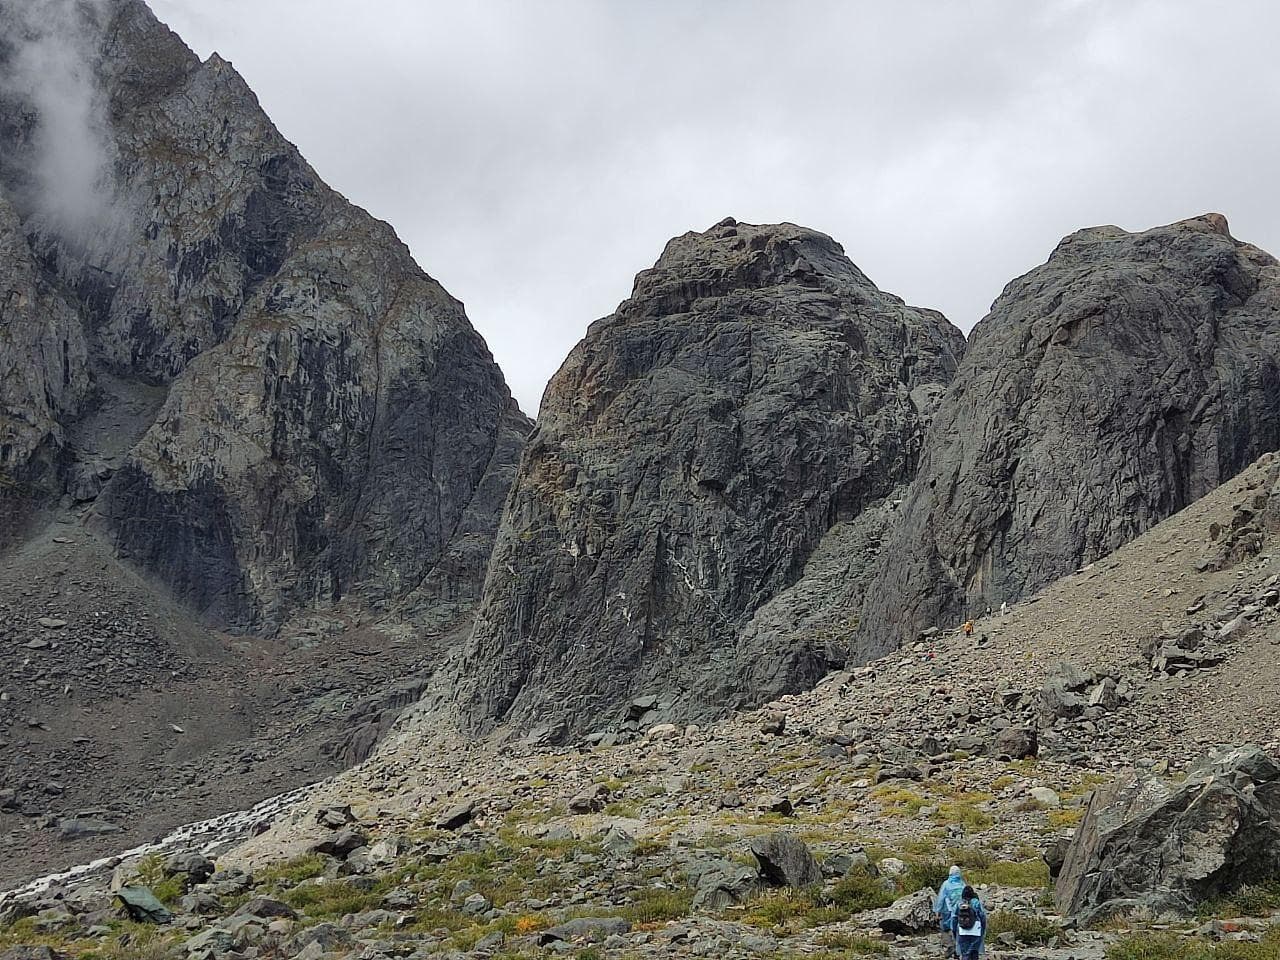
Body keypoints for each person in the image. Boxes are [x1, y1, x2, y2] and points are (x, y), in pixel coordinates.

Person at [948, 884, 987, 960]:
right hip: (976, 931)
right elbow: (982, 916)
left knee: (965, 953)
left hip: (962, 931)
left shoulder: (959, 903)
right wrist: (983, 929)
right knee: (974, 953)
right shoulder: (976, 902)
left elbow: (954, 918)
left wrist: (954, 930)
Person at [933, 866, 966, 955]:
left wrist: (937, 911)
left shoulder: (946, 884)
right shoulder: (962, 884)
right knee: (958, 928)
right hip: (960, 910)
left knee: (945, 928)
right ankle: (959, 948)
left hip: (947, 910)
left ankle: (949, 946)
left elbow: (940, 898)